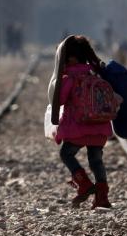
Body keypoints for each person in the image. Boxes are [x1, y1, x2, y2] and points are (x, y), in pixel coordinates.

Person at [48, 35, 113, 209]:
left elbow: (59, 100)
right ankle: (102, 197)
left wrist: (59, 81)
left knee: (66, 154)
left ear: (70, 57)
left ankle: (83, 184)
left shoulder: (70, 77)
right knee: (96, 160)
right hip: (100, 127)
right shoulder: (96, 73)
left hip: (77, 129)